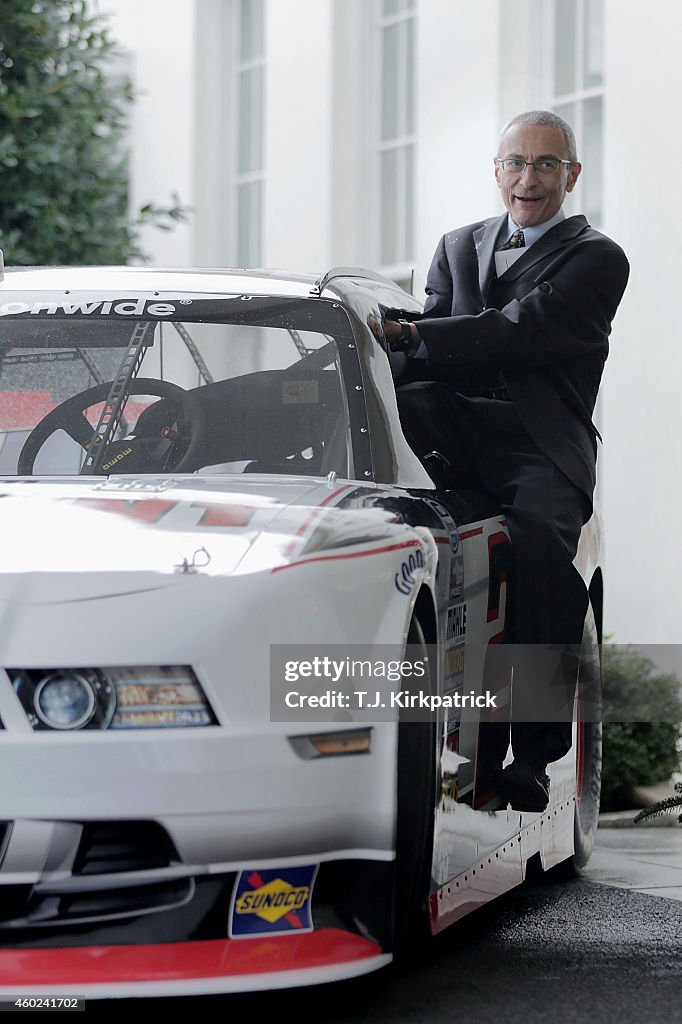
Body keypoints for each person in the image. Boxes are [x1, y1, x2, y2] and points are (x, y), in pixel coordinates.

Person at [382, 109, 630, 812]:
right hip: (452, 435)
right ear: (497, 173)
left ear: (572, 175)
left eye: (546, 165)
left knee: (541, 552)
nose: (529, 179)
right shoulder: (457, 246)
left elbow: (517, 334)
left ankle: (535, 754)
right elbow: (422, 344)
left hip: (537, 446)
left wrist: (409, 334)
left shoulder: (598, 258)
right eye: (515, 164)